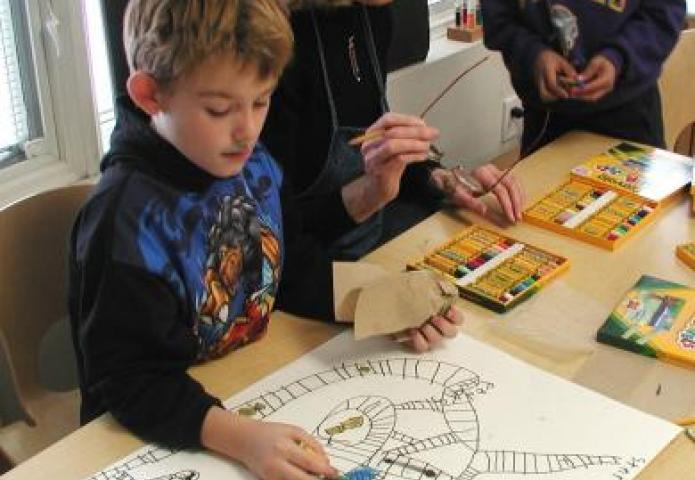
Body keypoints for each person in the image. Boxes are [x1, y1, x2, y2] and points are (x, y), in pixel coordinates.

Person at [69, 2, 462, 479]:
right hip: (149, 437)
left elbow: (289, 268)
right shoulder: (126, 221)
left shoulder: (254, 165)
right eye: (219, 109)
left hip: (243, 385)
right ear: (151, 96)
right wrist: (242, 437)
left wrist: (380, 303)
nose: (247, 130)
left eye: (261, 100)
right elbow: (129, 382)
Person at [261, 0, 524, 266]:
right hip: (308, 267)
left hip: (376, 233)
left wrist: (443, 179)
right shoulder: (274, 38)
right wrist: (368, 194)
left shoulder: (374, 13)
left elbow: (378, 144)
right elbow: (277, 234)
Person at [482, 0, 686, 156]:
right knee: (538, 206)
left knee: (640, 209)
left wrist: (619, 58)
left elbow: (664, 13)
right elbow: (499, 20)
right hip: (547, 117)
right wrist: (533, 54)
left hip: (629, 114)